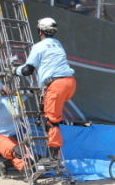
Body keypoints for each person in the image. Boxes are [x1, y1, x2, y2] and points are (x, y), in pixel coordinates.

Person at [12, 17, 76, 165]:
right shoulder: (58, 44)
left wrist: (14, 70)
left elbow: (28, 70)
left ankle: (53, 158)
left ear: (40, 31)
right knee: (50, 114)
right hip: (69, 82)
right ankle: (53, 149)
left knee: (51, 120)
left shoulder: (39, 47)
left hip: (56, 85)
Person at [0, 72, 30, 178]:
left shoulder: (14, 99)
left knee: (29, 155)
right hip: (0, 137)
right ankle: (27, 172)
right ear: (1, 91)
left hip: (13, 136)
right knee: (17, 151)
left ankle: (4, 165)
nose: (7, 86)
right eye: (4, 86)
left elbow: (28, 92)